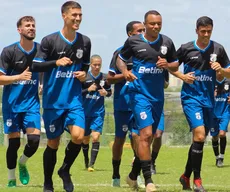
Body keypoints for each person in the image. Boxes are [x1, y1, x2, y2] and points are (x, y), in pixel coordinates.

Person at [31, 1, 91, 192]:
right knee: (53, 143)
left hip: (74, 100)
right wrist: (55, 62)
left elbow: (85, 68)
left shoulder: (85, 41)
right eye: (74, 15)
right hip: (53, 102)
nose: (78, 18)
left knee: (78, 136)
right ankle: (48, 182)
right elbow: (36, 65)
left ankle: (64, 170)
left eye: (80, 15)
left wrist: (83, 75)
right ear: (64, 16)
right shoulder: (49, 41)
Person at [116, 10, 178, 192]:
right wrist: (125, 72)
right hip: (138, 95)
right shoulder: (134, 41)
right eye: (152, 24)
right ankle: (149, 181)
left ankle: (132, 176)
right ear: (145, 24)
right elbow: (120, 59)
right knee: (145, 134)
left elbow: (175, 64)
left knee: (151, 137)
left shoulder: (166, 42)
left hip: (157, 97)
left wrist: (167, 65)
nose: (156, 26)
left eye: (159, 23)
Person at [176, 16, 230, 192]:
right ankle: (197, 180)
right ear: (196, 31)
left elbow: (228, 72)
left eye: (209, 31)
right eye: (203, 31)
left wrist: (221, 70)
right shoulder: (186, 48)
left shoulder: (218, 49)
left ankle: (185, 176)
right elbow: (172, 65)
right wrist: (182, 76)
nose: (206, 34)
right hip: (191, 98)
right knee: (199, 135)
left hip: (209, 101)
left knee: (198, 141)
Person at [0, 16, 41, 187]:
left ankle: (22, 162)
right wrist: (19, 77)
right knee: (14, 143)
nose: (31, 28)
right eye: (27, 25)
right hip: (12, 104)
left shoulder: (40, 51)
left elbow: (48, 69)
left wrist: (43, 84)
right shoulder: (9, 51)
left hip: (31, 104)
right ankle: (11, 178)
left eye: (33, 25)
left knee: (34, 140)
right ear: (19, 30)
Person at [107, 20, 145, 188]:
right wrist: (126, 74)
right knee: (120, 140)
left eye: (144, 30)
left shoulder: (147, 52)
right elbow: (109, 79)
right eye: (138, 31)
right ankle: (115, 174)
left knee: (139, 138)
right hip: (122, 103)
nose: (142, 33)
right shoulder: (119, 53)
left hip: (140, 103)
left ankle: (136, 174)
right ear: (130, 34)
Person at [81, 54, 112, 172]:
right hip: (84, 112)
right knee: (85, 139)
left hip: (98, 112)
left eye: (99, 65)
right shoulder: (84, 77)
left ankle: (91, 165)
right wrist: (87, 90)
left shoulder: (105, 78)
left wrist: (106, 93)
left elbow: (110, 92)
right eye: (95, 65)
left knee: (96, 136)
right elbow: (77, 92)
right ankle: (86, 160)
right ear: (90, 65)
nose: (97, 67)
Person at [211, 76, 230, 167]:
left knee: (222, 134)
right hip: (213, 114)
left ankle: (221, 158)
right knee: (215, 137)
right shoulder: (211, 81)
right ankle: (217, 157)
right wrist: (211, 94)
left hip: (225, 112)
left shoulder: (228, 81)